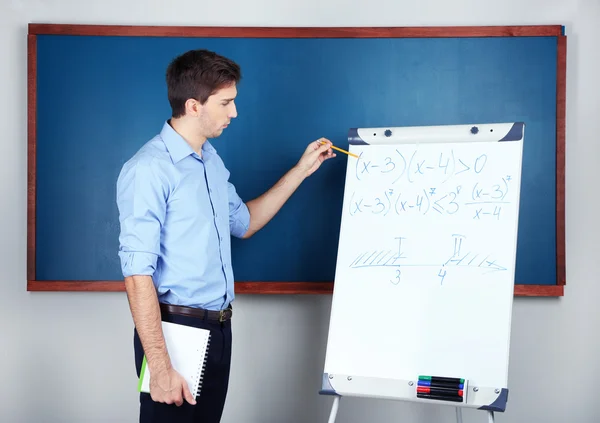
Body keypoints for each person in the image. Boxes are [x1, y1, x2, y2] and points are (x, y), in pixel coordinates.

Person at [116, 49, 335, 423]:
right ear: (193, 106)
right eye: (226, 103)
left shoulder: (210, 161)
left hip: (218, 328)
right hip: (175, 333)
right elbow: (137, 277)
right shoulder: (149, 169)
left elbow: (245, 221)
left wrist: (301, 171)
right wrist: (161, 367)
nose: (234, 112)